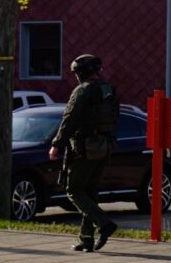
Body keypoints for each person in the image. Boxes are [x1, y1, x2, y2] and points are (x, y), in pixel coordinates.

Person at [49, 54, 119, 252]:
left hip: (84, 148)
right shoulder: (109, 90)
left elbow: (69, 119)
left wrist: (57, 144)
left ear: (82, 73)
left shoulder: (82, 91)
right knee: (89, 192)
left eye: (77, 73)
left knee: (74, 190)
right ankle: (86, 239)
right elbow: (115, 117)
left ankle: (104, 224)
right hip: (104, 147)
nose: (76, 77)